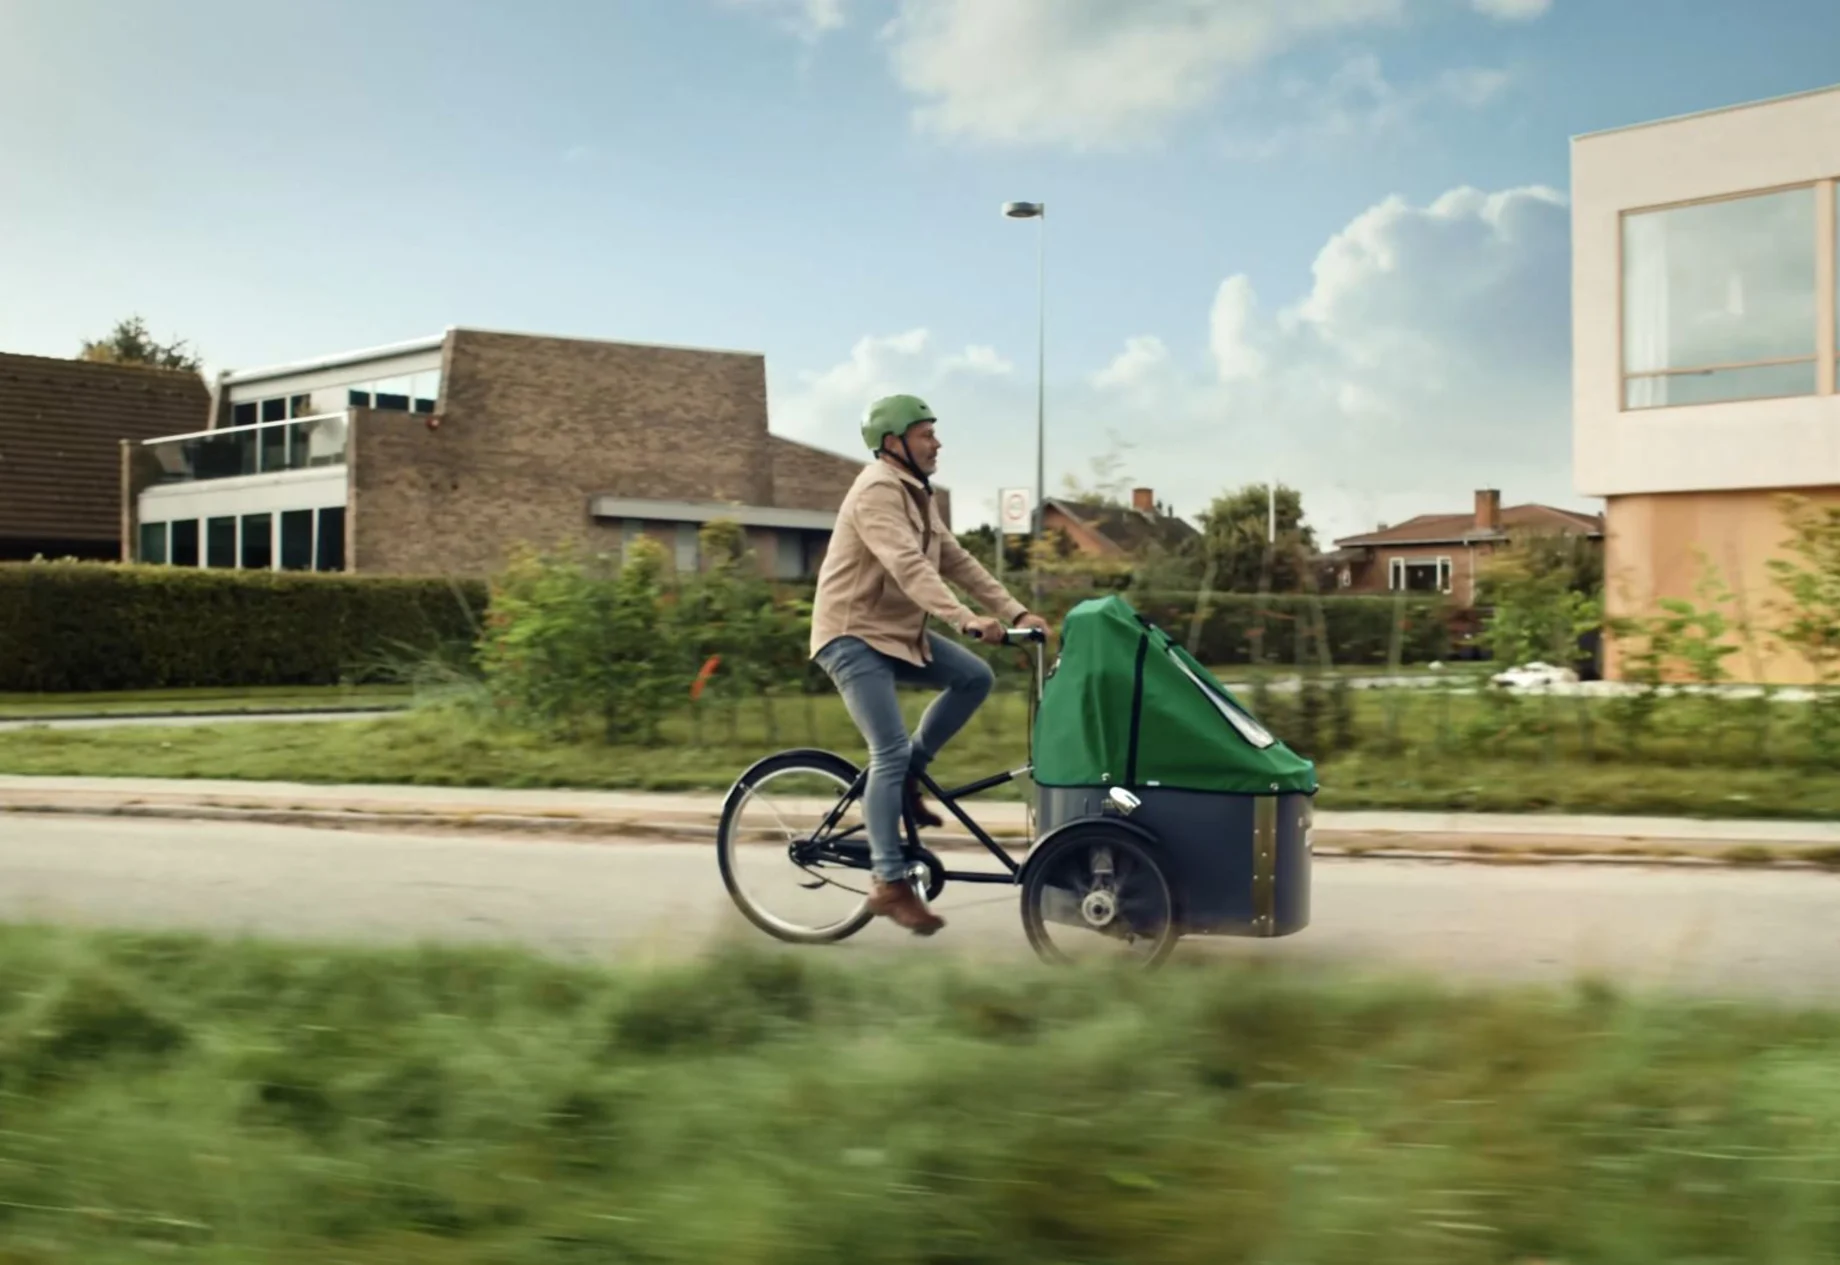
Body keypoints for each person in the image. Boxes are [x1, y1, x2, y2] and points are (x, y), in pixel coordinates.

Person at [809, 393, 1050, 936]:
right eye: (926, 434)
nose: (937, 442)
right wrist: (964, 619)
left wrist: (1014, 611)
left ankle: (905, 778)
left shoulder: (917, 494)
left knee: (973, 677)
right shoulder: (875, 490)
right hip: (851, 635)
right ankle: (888, 883)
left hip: (895, 634)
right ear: (894, 444)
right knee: (887, 748)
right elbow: (907, 564)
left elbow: (956, 559)